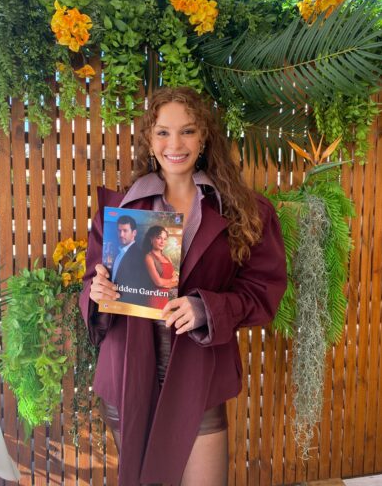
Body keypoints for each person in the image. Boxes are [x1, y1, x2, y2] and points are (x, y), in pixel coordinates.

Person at [79, 86, 287, 486]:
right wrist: (97, 294)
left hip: (198, 374)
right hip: (129, 373)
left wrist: (205, 308)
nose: (175, 145)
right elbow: (92, 285)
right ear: (149, 138)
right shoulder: (121, 212)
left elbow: (263, 291)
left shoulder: (244, 211)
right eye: (163, 132)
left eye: (187, 131)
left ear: (204, 136)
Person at [110, 215, 152, 305]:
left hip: (128, 308)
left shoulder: (141, 256)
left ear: (134, 233)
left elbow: (143, 290)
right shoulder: (118, 254)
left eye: (125, 231)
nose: (121, 234)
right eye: (119, 230)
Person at [142, 225, 179, 309]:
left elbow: (176, 281)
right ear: (151, 239)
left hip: (167, 299)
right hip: (155, 299)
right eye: (159, 238)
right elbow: (158, 282)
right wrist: (171, 281)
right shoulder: (149, 257)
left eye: (165, 239)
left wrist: (167, 283)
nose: (162, 242)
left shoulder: (167, 258)